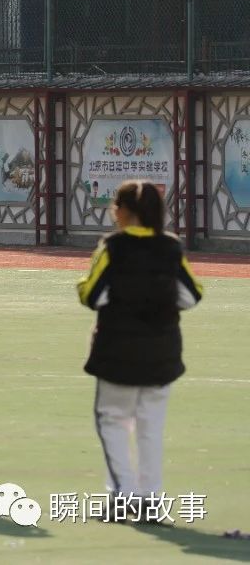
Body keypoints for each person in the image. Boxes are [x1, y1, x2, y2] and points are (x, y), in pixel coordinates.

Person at [76, 180, 202, 518]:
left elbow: (91, 294)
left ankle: (122, 497)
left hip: (117, 352)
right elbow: (192, 295)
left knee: (113, 422)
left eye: (115, 206)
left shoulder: (112, 247)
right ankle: (150, 500)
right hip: (162, 354)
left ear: (124, 211)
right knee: (151, 428)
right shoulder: (171, 247)